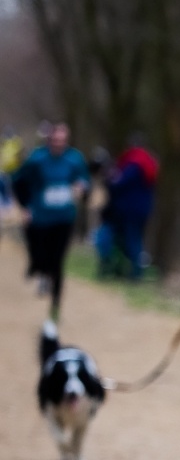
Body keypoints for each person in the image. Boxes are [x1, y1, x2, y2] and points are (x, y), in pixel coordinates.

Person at [11, 122, 90, 320]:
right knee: (42, 256)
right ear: (49, 140)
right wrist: (25, 207)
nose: (58, 144)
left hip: (64, 218)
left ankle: (55, 305)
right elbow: (18, 182)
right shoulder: (37, 160)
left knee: (58, 260)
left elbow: (85, 181)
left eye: (62, 140)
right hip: (41, 218)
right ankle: (42, 272)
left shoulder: (74, 159)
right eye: (55, 140)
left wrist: (82, 188)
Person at [97, 135, 160, 280]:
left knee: (131, 240)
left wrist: (109, 180)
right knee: (133, 239)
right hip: (143, 209)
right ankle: (128, 269)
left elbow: (119, 184)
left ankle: (135, 272)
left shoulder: (134, 164)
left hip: (128, 210)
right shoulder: (149, 163)